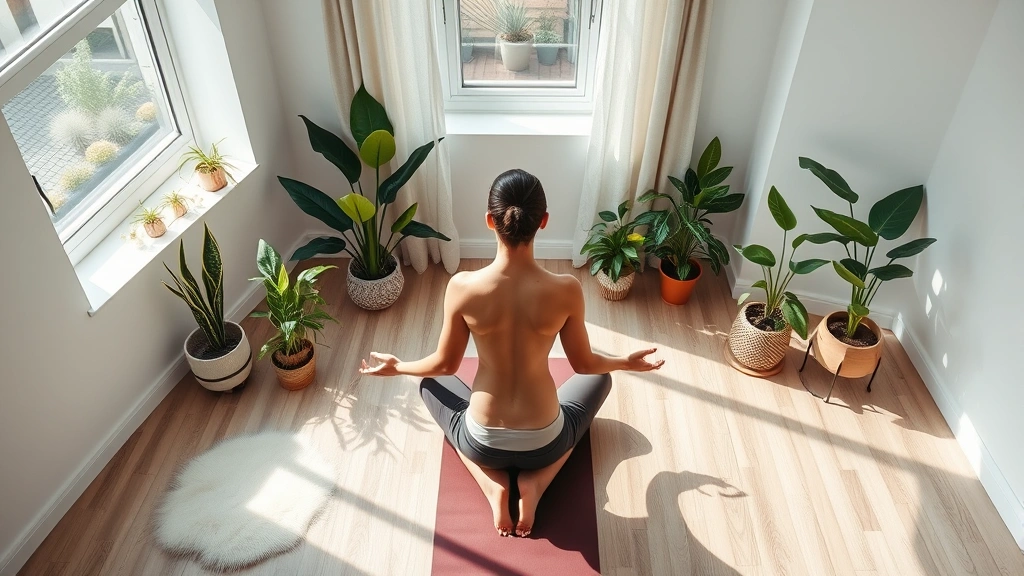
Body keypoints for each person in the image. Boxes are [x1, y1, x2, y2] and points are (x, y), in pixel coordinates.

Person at [360, 169, 663, 537]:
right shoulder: (566, 290)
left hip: (483, 441)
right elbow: (584, 364)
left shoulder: (463, 287)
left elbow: (445, 364)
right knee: (600, 378)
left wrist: (399, 367)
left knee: (428, 383)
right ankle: (538, 484)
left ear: (490, 221)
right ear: (544, 221)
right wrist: (624, 362)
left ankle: (492, 485)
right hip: (545, 443)